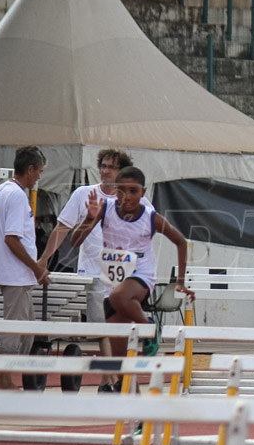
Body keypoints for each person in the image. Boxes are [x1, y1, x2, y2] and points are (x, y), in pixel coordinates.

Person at [70, 166, 194, 391]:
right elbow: (75, 241)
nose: (126, 197)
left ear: (143, 192)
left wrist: (181, 281)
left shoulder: (151, 218)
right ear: (114, 191)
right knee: (122, 364)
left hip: (141, 277)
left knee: (121, 296)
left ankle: (150, 330)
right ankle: (138, 416)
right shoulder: (105, 209)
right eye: (121, 191)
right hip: (113, 283)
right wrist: (89, 218)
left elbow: (181, 241)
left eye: (133, 191)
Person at [38, 149, 137, 368]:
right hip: (92, 273)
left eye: (111, 167)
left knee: (118, 329)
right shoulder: (84, 194)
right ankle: (108, 375)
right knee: (100, 328)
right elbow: (62, 227)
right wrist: (45, 258)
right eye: (103, 166)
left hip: (122, 275)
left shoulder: (131, 198)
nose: (106, 171)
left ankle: (115, 374)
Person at [0, 146, 51, 390]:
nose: (39, 178)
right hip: (16, 274)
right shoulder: (17, 196)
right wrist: (36, 268)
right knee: (15, 327)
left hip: (11, 272)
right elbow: (11, 238)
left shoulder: (1, 190)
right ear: (30, 169)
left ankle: (8, 375)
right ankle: (4, 379)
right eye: (39, 172)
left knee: (26, 328)